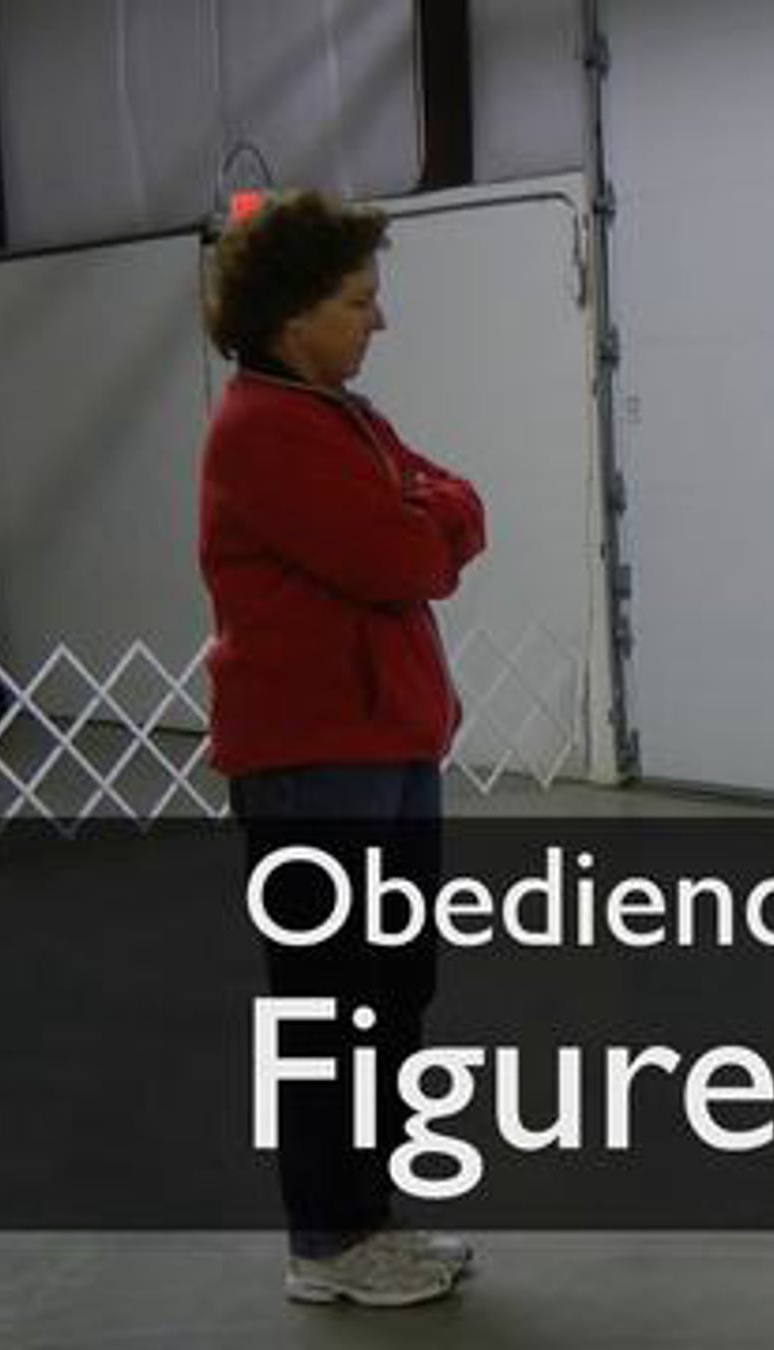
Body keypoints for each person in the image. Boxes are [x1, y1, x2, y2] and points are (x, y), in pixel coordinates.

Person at [199, 190, 486, 1305]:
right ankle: (326, 1240)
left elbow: (455, 501)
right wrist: (426, 519)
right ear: (292, 317)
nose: (381, 320)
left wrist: (428, 514)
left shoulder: (345, 418)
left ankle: (369, 1218)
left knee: (395, 987)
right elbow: (398, 556)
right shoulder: (264, 432)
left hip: (387, 744)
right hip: (315, 762)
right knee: (332, 1002)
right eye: (360, 301)